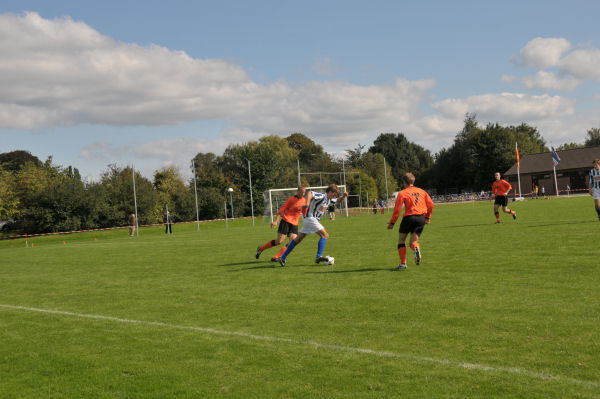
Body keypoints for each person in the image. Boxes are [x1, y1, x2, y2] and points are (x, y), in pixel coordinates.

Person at [276, 184, 348, 267]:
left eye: (335, 195)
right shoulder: (322, 196)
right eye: (334, 194)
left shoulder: (329, 200)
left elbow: (338, 200)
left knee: (297, 239)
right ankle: (318, 257)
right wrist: (307, 203)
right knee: (325, 235)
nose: (334, 196)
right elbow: (310, 193)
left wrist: (344, 196)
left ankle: (283, 257)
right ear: (329, 192)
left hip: (309, 220)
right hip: (311, 218)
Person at [387, 172, 434, 270]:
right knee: (413, 241)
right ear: (413, 181)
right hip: (421, 218)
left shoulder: (403, 193)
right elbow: (431, 204)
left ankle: (403, 263)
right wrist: (428, 217)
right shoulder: (422, 191)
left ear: (404, 182)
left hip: (409, 218)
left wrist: (392, 222)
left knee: (401, 240)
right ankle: (415, 247)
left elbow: (397, 210)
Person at [256, 185, 306, 261]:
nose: (302, 194)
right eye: (301, 192)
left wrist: (307, 220)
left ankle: (277, 257)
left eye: (304, 192)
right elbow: (282, 209)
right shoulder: (291, 199)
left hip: (294, 224)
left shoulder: (304, 200)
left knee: (292, 242)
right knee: (279, 242)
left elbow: (304, 211)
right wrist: (276, 221)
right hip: (286, 221)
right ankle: (261, 249)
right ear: (297, 191)